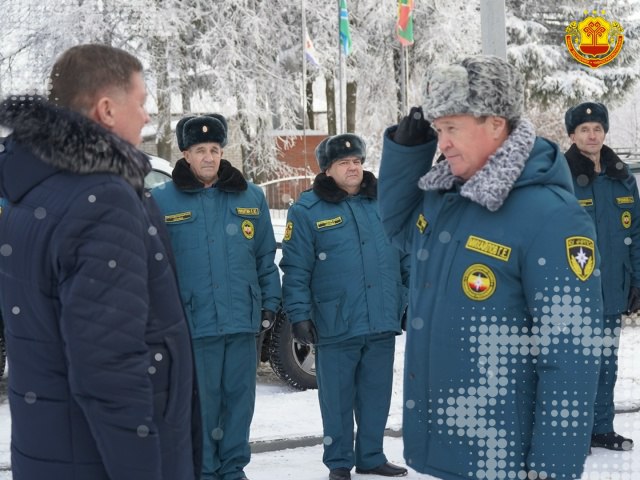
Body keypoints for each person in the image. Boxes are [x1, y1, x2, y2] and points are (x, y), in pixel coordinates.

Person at [378, 55, 604, 480]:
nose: (442, 143)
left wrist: (552, 471)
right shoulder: (447, 196)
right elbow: (398, 228)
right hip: (447, 450)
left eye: (452, 128)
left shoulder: (552, 215)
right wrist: (407, 153)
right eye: (437, 130)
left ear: (496, 124)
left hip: (505, 458)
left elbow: (572, 359)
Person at [0, 44, 197, 479]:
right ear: (106, 110)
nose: (147, 116)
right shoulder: (102, 198)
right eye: (140, 102)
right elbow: (108, 365)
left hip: (50, 449)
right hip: (99, 461)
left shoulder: (34, 189)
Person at [152, 114, 281, 480]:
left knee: (240, 401)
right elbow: (153, 266)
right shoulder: (161, 200)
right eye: (200, 150)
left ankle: (234, 469)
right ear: (185, 154)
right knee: (202, 403)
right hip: (193, 322)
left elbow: (264, 257)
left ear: (222, 152)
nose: (208, 157)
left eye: (214, 149)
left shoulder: (250, 196)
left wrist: (270, 303)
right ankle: (205, 471)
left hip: (241, 319)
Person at [280, 133, 410, 480]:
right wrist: (299, 315)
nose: (353, 168)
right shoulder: (307, 210)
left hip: (381, 317)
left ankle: (371, 456)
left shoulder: (384, 204)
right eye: (343, 163)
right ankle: (339, 462)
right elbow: (295, 269)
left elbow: (406, 256)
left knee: (376, 394)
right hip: (334, 320)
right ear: (327, 169)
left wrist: (408, 301)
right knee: (336, 399)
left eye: (356, 161)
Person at [564, 101, 638, 451]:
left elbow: (635, 233)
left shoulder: (622, 178)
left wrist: (637, 281)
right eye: (584, 129)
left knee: (606, 363)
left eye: (597, 129)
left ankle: (601, 428)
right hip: (571, 292)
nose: (592, 135)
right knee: (572, 365)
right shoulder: (560, 177)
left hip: (611, 290)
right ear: (572, 135)